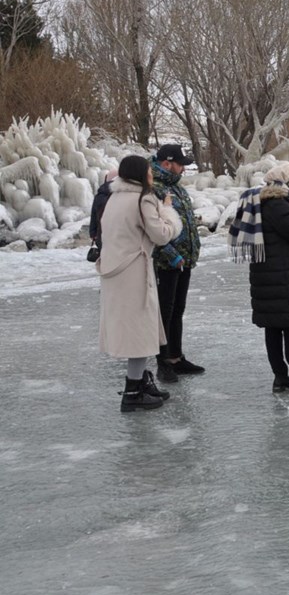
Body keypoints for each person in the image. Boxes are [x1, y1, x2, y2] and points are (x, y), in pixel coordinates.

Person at [228, 162, 289, 392]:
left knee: (274, 328)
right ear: (288, 181)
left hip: (270, 277)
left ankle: (281, 377)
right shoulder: (278, 204)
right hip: (283, 277)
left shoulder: (266, 202)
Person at [97, 155, 182, 412]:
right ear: (139, 173)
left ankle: (140, 381)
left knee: (138, 328)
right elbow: (162, 234)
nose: (151, 174)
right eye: (148, 170)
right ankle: (133, 391)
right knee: (140, 331)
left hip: (115, 271)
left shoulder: (114, 197)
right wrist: (167, 210)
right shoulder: (142, 198)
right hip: (134, 272)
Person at [151, 144, 205, 381]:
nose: (183, 168)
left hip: (184, 259)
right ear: (166, 163)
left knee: (178, 309)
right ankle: (162, 361)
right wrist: (172, 254)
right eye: (180, 163)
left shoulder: (176, 187)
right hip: (166, 261)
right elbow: (154, 229)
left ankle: (176, 356)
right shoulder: (154, 189)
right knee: (164, 311)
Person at [88, 169, 118, 249]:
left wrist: (93, 234)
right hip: (118, 235)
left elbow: (94, 215)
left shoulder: (99, 195)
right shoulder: (121, 194)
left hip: (101, 233)